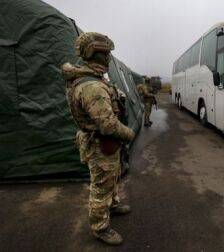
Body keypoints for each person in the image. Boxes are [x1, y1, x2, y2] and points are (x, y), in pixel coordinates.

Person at [62, 32, 135, 245]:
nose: (109, 58)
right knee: (100, 186)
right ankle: (100, 227)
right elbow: (108, 125)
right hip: (100, 143)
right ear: (97, 54)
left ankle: (112, 205)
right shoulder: (92, 86)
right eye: (107, 54)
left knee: (111, 178)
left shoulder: (94, 79)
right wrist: (129, 134)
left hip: (106, 143)